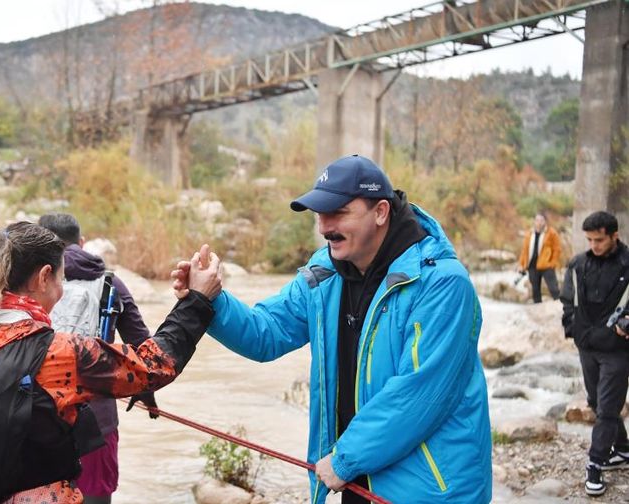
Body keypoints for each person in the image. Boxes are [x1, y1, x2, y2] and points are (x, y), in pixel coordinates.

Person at [172, 155, 491, 503]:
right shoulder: (325, 272)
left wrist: (343, 459)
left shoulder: (442, 284)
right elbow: (265, 333)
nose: (325, 226)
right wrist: (209, 299)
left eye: (338, 212)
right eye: (320, 214)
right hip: (356, 481)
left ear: (381, 212)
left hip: (430, 491)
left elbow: (419, 395)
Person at [0, 221, 222, 504]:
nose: (61, 288)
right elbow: (152, 365)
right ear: (45, 277)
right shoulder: (57, 353)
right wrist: (197, 299)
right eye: (61, 277)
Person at [38, 213, 155, 504]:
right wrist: (147, 395)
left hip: (38, 418)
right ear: (82, 242)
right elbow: (143, 346)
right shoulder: (110, 283)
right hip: (98, 420)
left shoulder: (29, 280)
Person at [560, 211, 629, 497]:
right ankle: (624, 449)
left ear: (614, 235)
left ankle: (595, 465)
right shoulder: (578, 263)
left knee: (608, 409)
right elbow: (567, 299)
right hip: (586, 345)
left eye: (599, 240)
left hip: (618, 349)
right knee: (596, 402)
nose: (594, 245)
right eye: (589, 240)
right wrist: (571, 327)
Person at [517, 213, 561, 303]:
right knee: (535, 291)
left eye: (541, 220)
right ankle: (538, 312)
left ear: (545, 222)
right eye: (537, 220)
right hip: (532, 266)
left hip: (546, 266)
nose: (539, 223)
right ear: (534, 221)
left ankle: (562, 308)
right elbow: (524, 251)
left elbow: (557, 249)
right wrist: (521, 264)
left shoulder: (551, 233)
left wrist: (552, 263)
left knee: (554, 289)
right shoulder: (529, 234)